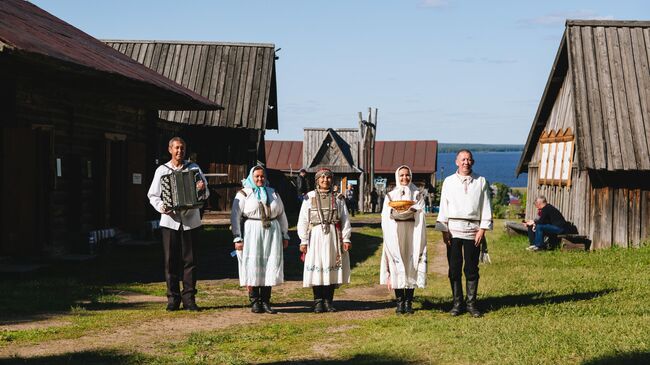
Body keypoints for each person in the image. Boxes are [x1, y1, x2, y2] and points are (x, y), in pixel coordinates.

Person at [147, 137, 209, 311]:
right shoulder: (162, 170)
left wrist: (201, 189)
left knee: (190, 261)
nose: (179, 151)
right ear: (170, 149)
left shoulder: (194, 168)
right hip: (170, 221)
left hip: (191, 222)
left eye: (182, 148)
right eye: (176, 148)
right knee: (170, 261)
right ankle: (173, 298)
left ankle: (189, 298)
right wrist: (161, 207)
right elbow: (153, 195)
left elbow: (206, 192)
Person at [436, 149, 492, 317]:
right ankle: (457, 304)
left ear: (472, 162)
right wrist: (444, 229)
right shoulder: (449, 181)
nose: (466, 162)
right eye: (463, 159)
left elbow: (486, 205)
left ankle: (471, 304)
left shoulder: (480, 181)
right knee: (454, 268)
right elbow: (443, 206)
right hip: (453, 229)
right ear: (456, 162)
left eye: (468, 159)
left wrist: (482, 229)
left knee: (471, 268)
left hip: (473, 230)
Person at [231, 166, 289, 314]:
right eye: (256, 176)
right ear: (251, 177)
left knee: (269, 264)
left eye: (262, 176)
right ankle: (255, 301)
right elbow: (235, 216)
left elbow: (281, 214)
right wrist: (237, 237)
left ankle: (266, 301)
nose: (260, 179)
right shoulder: (244, 193)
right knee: (253, 264)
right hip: (252, 231)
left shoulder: (273, 192)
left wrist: (285, 234)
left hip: (272, 231)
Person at [298, 168, 352, 313]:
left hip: (333, 235)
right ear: (316, 180)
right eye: (321, 178)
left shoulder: (339, 198)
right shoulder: (309, 197)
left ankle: (328, 301)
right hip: (315, 235)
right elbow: (303, 219)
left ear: (331, 180)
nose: (325, 180)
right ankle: (318, 302)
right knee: (317, 265)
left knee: (330, 265)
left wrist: (346, 238)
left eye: (328, 178)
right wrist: (303, 240)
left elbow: (345, 218)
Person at [380, 165, 427, 314]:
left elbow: (421, 212)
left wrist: (412, 210)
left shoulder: (417, 194)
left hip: (412, 231)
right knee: (397, 264)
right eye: (401, 175)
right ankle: (399, 301)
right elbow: (385, 216)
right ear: (397, 177)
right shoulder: (390, 196)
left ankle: (409, 302)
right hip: (396, 232)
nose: (404, 178)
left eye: (407, 175)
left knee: (411, 263)